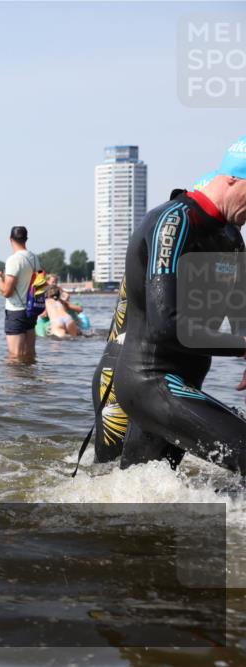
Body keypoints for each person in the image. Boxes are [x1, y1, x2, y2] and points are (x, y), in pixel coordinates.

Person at [88, 136, 246, 479]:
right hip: (148, 378)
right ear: (233, 178)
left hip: (182, 385)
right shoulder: (172, 223)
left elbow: (239, 315)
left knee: (137, 500)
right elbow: (166, 324)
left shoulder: (232, 238)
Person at [0, 226, 42, 362]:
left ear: (10, 239)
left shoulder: (13, 260)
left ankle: (15, 383)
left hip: (16, 311)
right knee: (29, 354)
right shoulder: (34, 258)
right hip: (31, 309)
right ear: (26, 239)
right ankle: (31, 381)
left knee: (15, 356)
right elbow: (29, 280)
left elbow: (7, 292)